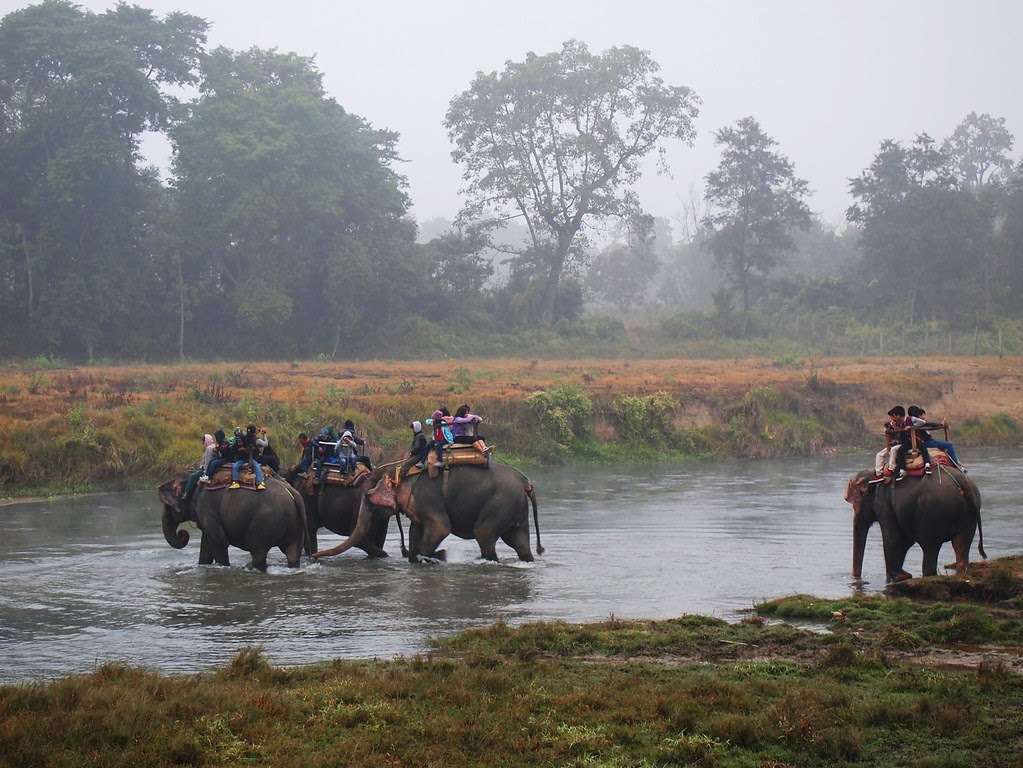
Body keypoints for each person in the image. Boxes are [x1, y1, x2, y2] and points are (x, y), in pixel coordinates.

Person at [907, 405, 964, 470]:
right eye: (922, 415)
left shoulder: (913, 423)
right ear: (918, 416)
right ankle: (955, 465)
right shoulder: (919, 423)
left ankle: (954, 461)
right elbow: (931, 424)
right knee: (949, 445)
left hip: (927, 442)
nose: (924, 417)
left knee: (943, 447)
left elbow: (930, 425)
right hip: (927, 443)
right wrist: (941, 424)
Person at [181, 433, 216, 501]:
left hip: (206, 470)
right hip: (205, 468)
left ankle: (187, 493)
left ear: (206, 441)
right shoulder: (212, 447)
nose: (203, 442)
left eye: (203, 441)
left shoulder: (209, 449)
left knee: (192, 476)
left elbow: (208, 462)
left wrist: (204, 474)